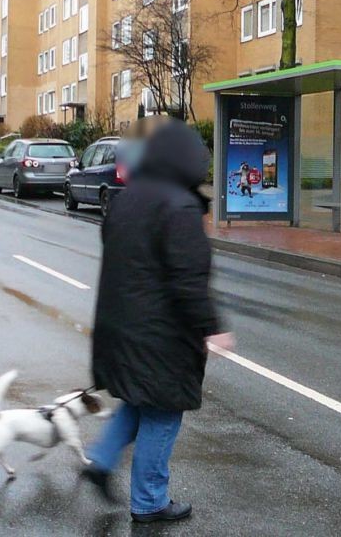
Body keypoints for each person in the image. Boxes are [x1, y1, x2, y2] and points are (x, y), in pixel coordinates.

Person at [83, 120, 234, 523]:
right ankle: (149, 502)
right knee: (163, 412)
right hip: (160, 335)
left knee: (136, 401)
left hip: (121, 326)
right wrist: (211, 326)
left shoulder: (127, 197)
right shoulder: (179, 206)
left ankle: (99, 459)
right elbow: (189, 277)